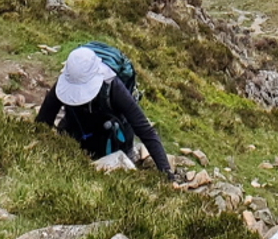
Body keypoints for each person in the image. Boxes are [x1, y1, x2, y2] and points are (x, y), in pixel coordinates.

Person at [36, 46, 175, 177]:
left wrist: (166, 172)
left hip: (112, 142)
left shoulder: (112, 86)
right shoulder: (67, 80)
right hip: (75, 134)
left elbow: (145, 130)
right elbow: (43, 121)